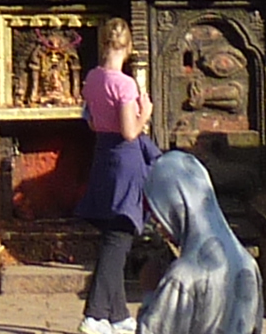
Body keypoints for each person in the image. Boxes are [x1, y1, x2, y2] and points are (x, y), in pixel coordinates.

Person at [76, 21, 153, 334]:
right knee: (117, 240)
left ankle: (118, 315)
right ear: (129, 47)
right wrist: (145, 111)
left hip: (103, 158)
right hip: (125, 161)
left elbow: (92, 122)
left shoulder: (92, 78)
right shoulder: (125, 85)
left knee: (113, 237)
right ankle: (94, 314)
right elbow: (130, 131)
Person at [132, 150, 261, 334]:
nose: (158, 224)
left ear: (176, 205)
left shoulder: (182, 276)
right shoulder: (247, 263)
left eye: (159, 212)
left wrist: (150, 293)